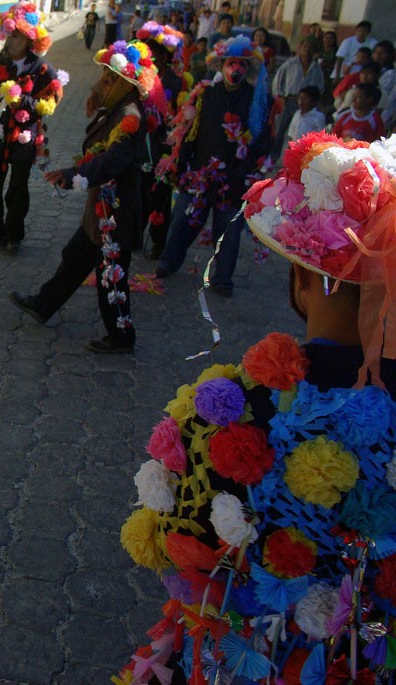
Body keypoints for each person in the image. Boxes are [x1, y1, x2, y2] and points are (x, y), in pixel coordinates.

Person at [116, 131, 396, 683]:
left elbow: (179, 541)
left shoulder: (229, 407)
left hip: (251, 659)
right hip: (370, 658)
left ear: (300, 279)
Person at [8, 40, 161, 354]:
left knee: (112, 277)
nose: (102, 83)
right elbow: (99, 149)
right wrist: (97, 98)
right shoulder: (118, 108)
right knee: (75, 256)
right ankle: (43, 304)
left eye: (108, 79)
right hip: (101, 208)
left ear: (124, 83)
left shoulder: (129, 116)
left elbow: (112, 162)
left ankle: (121, 336)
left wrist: (73, 175)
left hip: (115, 212)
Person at [155, 36, 272, 298]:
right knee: (183, 221)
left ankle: (222, 279)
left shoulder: (256, 100)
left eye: (242, 65)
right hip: (199, 171)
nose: (236, 70)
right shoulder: (205, 94)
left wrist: (249, 170)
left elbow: (263, 139)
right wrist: (182, 162)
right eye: (231, 64)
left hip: (235, 177)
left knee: (228, 231)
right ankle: (168, 261)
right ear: (221, 65)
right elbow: (190, 132)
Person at [0, 2, 62, 255]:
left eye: (16, 37)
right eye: (9, 35)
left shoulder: (41, 68)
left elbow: (51, 101)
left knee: (18, 190)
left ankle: (14, 236)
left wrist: (23, 100)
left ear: (30, 40)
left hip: (24, 137)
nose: (10, 41)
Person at [136, 20, 185, 260]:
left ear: (166, 56)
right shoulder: (141, 77)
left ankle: (158, 241)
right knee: (138, 193)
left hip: (164, 147)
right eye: (148, 51)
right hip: (141, 143)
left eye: (156, 52)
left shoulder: (177, 83)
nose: (152, 56)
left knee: (159, 197)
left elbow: (181, 118)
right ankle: (134, 235)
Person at [271, 38, 324, 160]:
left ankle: (296, 158)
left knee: (300, 134)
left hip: (308, 105)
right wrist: (280, 97)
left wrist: (315, 101)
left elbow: (320, 86)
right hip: (289, 101)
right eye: (305, 47)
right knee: (280, 131)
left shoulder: (316, 68)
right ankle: (273, 157)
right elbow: (278, 81)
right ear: (300, 48)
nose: (307, 50)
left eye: (311, 48)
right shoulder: (290, 64)